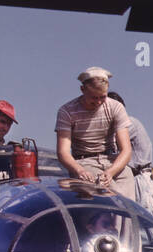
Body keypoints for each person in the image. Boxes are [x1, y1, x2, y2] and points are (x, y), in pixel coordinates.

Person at [56, 67, 135, 200]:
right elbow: (63, 152)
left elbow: (126, 150)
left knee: (128, 192)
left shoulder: (115, 107)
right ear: (82, 90)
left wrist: (111, 171)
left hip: (110, 160)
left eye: (102, 97)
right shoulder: (67, 111)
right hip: (84, 162)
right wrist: (79, 170)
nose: (98, 102)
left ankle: (127, 221)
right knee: (110, 192)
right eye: (93, 98)